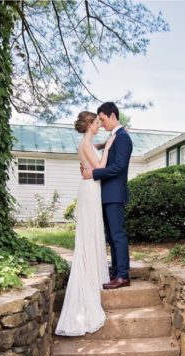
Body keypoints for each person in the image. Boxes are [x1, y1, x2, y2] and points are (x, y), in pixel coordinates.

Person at [55, 111, 115, 336]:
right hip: (91, 189)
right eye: (97, 123)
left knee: (91, 231)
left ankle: (94, 271)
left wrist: (101, 144)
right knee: (91, 231)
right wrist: (108, 148)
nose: (99, 125)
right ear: (89, 124)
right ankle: (90, 275)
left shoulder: (85, 143)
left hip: (88, 188)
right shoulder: (87, 144)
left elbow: (91, 151)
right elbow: (99, 165)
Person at [82, 102, 133, 289]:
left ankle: (123, 275)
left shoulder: (123, 138)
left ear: (112, 116)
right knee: (111, 236)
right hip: (104, 194)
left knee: (118, 235)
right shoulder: (115, 137)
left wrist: (93, 174)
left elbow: (119, 167)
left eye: (103, 119)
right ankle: (115, 270)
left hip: (114, 194)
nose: (101, 124)